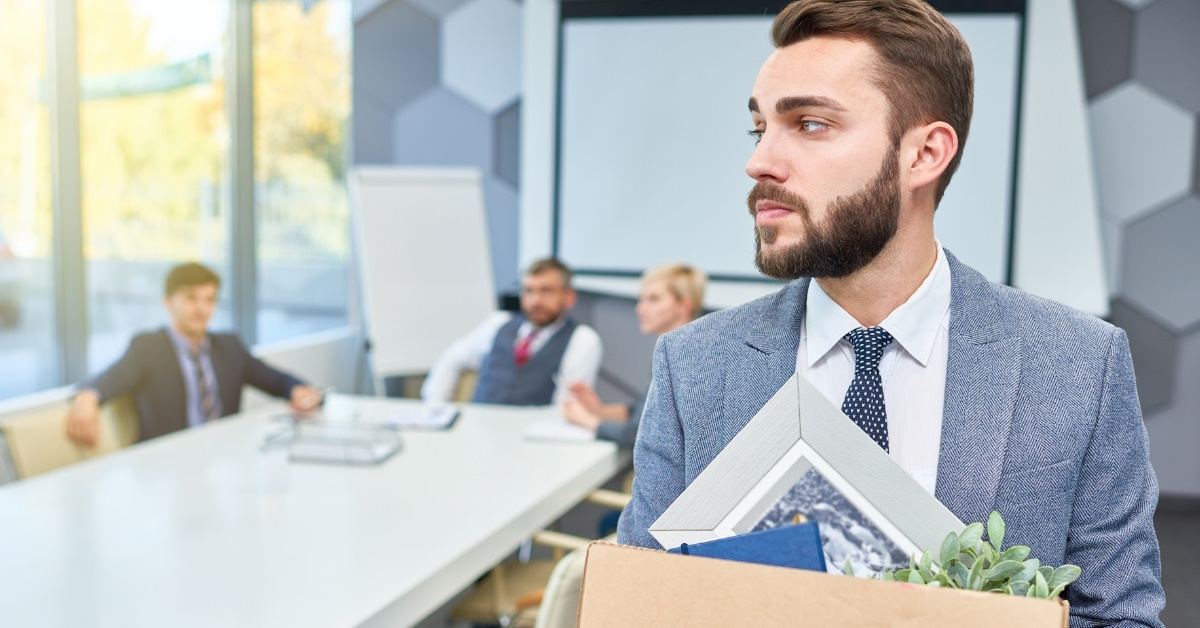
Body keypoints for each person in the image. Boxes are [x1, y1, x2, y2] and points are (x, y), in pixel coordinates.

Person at [617, 1, 1164, 625]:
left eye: (811, 124)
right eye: (759, 128)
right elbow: (638, 601)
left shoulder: (1078, 365)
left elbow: (1120, 617)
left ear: (925, 154)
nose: (760, 161)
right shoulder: (694, 365)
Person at [66, 263, 323, 445]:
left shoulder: (229, 347)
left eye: (209, 299)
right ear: (168, 302)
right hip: (165, 467)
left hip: (224, 459)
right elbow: (110, 379)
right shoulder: (149, 348)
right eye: (191, 298)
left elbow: (276, 379)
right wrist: (86, 398)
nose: (201, 308)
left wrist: (298, 390)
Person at [422, 258, 602, 406]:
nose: (536, 301)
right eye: (528, 291)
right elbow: (452, 359)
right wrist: (436, 406)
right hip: (478, 429)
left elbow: (566, 407)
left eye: (546, 291)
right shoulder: (498, 323)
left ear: (569, 297)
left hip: (531, 439)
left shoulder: (582, 340)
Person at [562, 264, 706, 449]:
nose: (640, 309)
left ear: (684, 306)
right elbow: (642, 411)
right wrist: (600, 411)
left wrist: (587, 420)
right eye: (641, 299)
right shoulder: (682, 349)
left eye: (653, 299)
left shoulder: (683, 358)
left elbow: (638, 433)